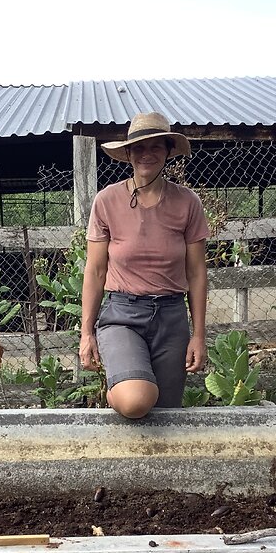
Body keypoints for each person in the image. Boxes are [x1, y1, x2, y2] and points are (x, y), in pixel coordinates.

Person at [79, 112, 209, 418]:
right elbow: (96, 271)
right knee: (136, 401)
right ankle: (120, 387)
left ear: (167, 152)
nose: (146, 154)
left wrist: (199, 335)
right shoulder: (107, 201)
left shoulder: (187, 202)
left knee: (165, 414)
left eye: (155, 147)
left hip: (171, 317)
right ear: (128, 153)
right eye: (138, 147)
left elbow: (197, 273)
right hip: (122, 315)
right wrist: (86, 334)